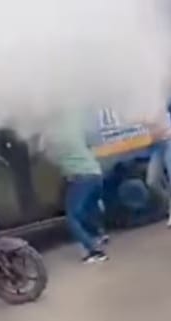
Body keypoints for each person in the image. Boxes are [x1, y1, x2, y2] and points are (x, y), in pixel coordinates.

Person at [43, 110, 108, 264]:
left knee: (72, 217)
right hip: (95, 173)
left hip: (80, 178)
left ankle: (95, 251)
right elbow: (92, 141)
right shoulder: (72, 126)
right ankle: (100, 235)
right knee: (89, 208)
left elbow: (47, 155)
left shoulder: (53, 136)